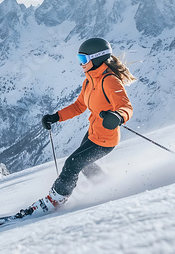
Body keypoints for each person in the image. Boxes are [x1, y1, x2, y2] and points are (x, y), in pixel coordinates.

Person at [16, 37, 136, 218]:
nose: (80, 64)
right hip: (93, 132)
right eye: (79, 59)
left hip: (106, 138)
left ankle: (54, 201)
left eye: (83, 60)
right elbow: (79, 106)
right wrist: (56, 117)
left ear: (96, 59)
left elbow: (126, 106)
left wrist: (118, 116)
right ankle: (108, 186)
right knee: (85, 165)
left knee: (72, 164)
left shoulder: (109, 81)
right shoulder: (89, 81)